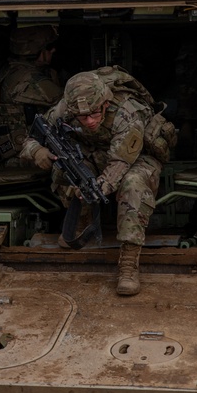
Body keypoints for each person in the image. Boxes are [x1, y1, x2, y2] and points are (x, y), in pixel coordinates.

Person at [20, 68, 170, 296]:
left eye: (94, 114)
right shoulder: (65, 109)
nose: (89, 121)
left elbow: (120, 163)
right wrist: (37, 151)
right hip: (96, 155)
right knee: (66, 168)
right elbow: (30, 139)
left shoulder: (127, 113)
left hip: (136, 158)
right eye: (82, 117)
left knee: (132, 183)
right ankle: (81, 220)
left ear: (105, 104)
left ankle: (128, 264)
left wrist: (100, 187)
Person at [0, 25, 62, 166]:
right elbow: (69, 99)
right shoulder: (27, 78)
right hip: (22, 155)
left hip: (12, 150)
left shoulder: (10, 69)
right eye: (49, 46)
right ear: (38, 52)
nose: (53, 50)